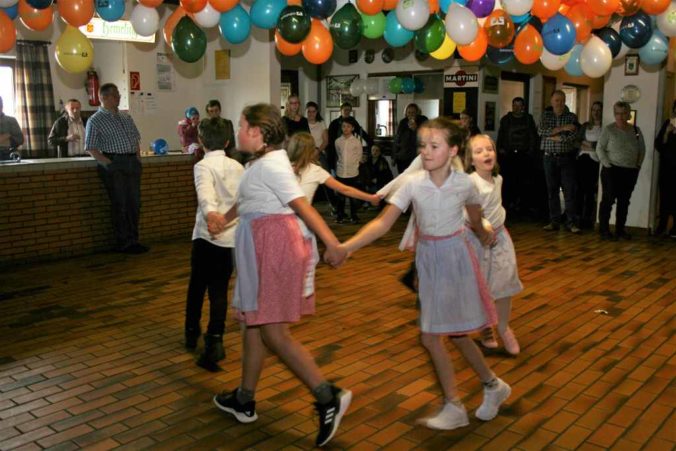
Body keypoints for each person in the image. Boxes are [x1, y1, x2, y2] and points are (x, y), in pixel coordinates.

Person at [330, 117, 510, 430]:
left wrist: (485, 234)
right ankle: (492, 386)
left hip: (455, 262)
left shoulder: (464, 184)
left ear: (453, 150)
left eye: (433, 146)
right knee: (454, 334)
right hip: (429, 261)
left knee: (432, 336)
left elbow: (475, 219)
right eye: (422, 145)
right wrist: (347, 247)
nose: (425, 151)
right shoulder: (413, 183)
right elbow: (383, 223)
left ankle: (455, 404)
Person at [209, 103, 351, 448]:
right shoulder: (259, 164)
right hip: (261, 246)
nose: (237, 131)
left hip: (275, 248)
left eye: (241, 125)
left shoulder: (273, 165)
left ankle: (327, 395)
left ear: (256, 132)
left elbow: (302, 206)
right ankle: (244, 398)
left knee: (273, 332)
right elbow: (248, 201)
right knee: (253, 325)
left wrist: (334, 244)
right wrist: (223, 219)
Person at [184, 117, 244, 372]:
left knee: (197, 286)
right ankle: (215, 338)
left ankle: (191, 331)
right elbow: (243, 200)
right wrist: (223, 220)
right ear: (228, 141)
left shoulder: (202, 166)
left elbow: (204, 193)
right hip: (230, 239)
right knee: (219, 290)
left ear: (200, 140)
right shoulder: (238, 167)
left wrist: (211, 216)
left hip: (206, 237)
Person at [465, 134, 523, 355]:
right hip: (477, 240)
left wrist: (494, 225)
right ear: (471, 159)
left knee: (504, 284)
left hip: (499, 239)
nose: (486, 154)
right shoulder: (470, 183)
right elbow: (465, 212)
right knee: (480, 287)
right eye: (479, 151)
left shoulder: (498, 179)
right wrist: (483, 224)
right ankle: (485, 329)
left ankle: (503, 327)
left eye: (489, 149)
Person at [85, 83, 148, 254]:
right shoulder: (95, 120)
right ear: (103, 97)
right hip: (114, 162)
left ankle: (134, 240)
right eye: (115, 95)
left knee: (134, 204)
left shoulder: (126, 117)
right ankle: (124, 242)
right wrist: (109, 164)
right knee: (120, 204)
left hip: (131, 162)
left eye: (118, 94)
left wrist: (137, 159)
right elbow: (90, 147)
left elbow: (136, 139)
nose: (118, 98)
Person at [596, 101, 646, 240]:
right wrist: (607, 165)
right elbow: (599, 148)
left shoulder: (636, 130)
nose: (620, 116)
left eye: (623, 113)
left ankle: (620, 230)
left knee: (624, 202)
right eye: (617, 113)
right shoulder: (608, 129)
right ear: (614, 114)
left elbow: (642, 149)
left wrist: (638, 165)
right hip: (611, 170)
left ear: (628, 114)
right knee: (608, 201)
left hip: (630, 171)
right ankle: (604, 231)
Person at [287, 132, 379, 206]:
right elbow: (344, 189)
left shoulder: (283, 166)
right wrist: (370, 197)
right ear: (311, 150)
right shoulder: (315, 170)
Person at [538, 90, 581, 234]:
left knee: (569, 192)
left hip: (566, 158)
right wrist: (563, 129)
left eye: (562, 100)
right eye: (557, 100)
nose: (559, 103)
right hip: (549, 158)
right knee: (552, 191)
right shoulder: (545, 116)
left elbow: (573, 135)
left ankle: (571, 223)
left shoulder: (571, 117)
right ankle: (554, 222)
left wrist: (556, 137)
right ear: (551, 101)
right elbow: (541, 131)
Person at [496, 97, 539, 215]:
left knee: (524, 181)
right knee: (508, 181)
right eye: (514, 105)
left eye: (519, 106)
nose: (516, 108)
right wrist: (500, 149)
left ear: (523, 107)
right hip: (509, 155)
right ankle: (508, 204)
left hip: (524, 155)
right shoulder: (506, 119)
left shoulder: (528, 119)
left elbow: (533, 136)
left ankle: (522, 205)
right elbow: (501, 135)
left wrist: (531, 152)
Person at [576, 102, 603, 229]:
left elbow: (601, 145)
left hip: (595, 161)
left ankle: (587, 217)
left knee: (590, 190)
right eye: (593, 110)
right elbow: (576, 141)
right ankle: (578, 217)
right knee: (579, 189)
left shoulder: (604, 127)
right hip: (582, 159)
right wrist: (589, 146)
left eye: (598, 110)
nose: (596, 112)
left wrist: (588, 144)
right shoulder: (586, 125)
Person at [326, 102, 371, 174]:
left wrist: (371, 142)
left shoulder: (353, 122)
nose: (347, 112)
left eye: (349, 110)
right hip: (335, 150)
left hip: (349, 149)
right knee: (336, 171)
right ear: (341, 110)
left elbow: (362, 132)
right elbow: (330, 139)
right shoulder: (334, 123)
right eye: (345, 110)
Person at [334, 116, 363, 224]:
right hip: (341, 173)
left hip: (353, 174)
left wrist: (355, 166)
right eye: (344, 126)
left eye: (348, 126)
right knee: (340, 197)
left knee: (353, 197)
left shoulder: (356, 142)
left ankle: (354, 216)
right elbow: (338, 154)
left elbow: (359, 156)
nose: (346, 128)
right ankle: (340, 216)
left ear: (352, 128)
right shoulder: (337, 141)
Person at [654, 100, 676, 238]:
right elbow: (658, 145)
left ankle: (674, 228)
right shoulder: (668, 123)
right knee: (664, 197)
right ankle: (662, 226)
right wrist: (667, 133)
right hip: (666, 168)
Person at [392, 103, 428, 174]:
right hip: (402, 158)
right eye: (408, 112)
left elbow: (426, 138)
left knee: (416, 178)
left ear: (417, 113)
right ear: (406, 113)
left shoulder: (423, 120)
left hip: (416, 158)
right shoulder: (403, 122)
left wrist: (416, 129)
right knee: (403, 178)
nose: (410, 114)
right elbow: (397, 139)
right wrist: (394, 156)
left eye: (413, 112)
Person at [0, 96, 24, 160]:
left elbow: (20, 140)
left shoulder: (11, 120)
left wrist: (8, 137)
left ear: (2, 106)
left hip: (9, 154)